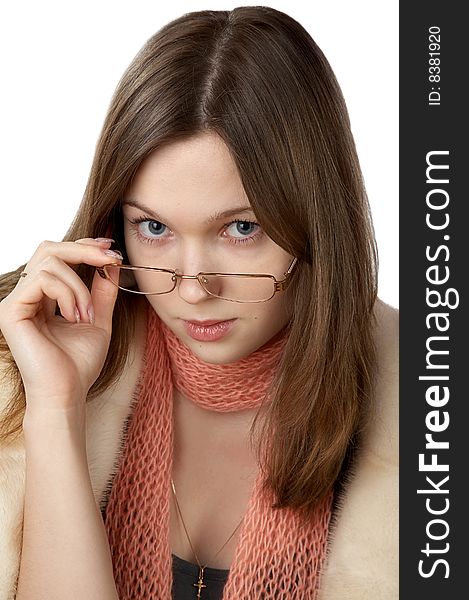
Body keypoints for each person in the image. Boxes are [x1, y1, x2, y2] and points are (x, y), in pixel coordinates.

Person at [0, 6, 398, 600]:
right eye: (154, 227)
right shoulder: (20, 367)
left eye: (241, 230)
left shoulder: (430, 402)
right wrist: (56, 410)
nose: (193, 289)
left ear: (315, 221)